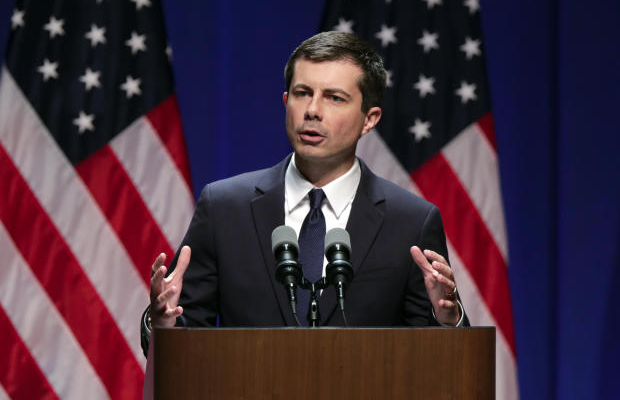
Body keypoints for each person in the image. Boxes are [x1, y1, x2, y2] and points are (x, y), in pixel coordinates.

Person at [141, 31, 468, 354]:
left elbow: (438, 365)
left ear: (369, 119)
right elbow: (180, 339)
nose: (312, 110)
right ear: (286, 102)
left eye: (334, 97)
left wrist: (446, 318)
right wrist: (163, 322)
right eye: (302, 93)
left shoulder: (410, 222)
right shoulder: (225, 208)